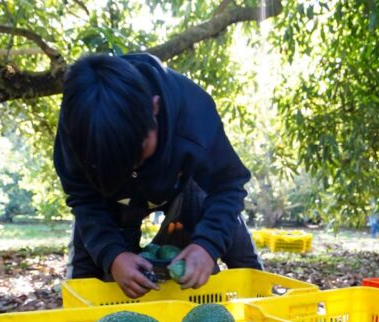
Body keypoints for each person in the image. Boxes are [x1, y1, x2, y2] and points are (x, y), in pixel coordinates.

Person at [54, 53, 262, 298]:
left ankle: (263, 315)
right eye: (118, 162)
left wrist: (207, 245)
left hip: (185, 182)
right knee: (86, 277)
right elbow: (84, 199)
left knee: (241, 255)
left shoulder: (194, 115)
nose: (132, 165)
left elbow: (228, 185)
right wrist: (113, 256)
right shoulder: (77, 131)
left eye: (138, 152)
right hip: (109, 199)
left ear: (155, 108)